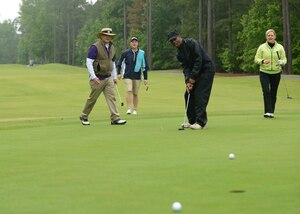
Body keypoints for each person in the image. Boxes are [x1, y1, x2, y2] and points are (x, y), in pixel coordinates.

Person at [167, 31, 215, 130]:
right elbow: (185, 68)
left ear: (179, 37)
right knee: (188, 94)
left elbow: (199, 60)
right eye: (172, 41)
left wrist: (193, 78)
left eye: (175, 39)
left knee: (200, 94)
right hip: (195, 73)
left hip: (206, 70)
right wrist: (188, 81)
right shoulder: (179, 53)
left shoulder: (192, 43)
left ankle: (201, 122)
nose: (174, 42)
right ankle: (192, 121)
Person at [79, 27, 126, 125]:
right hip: (97, 77)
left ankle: (115, 118)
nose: (107, 37)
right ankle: (84, 116)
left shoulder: (112, 48)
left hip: (108, 77)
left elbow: (112, 63)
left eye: (109, 36)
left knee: (111, 97)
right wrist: (93, 77)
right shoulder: (95, 47)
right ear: (101, 36)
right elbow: (89, 62)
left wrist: (114, 77)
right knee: (93, 98)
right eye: (105, 35)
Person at [254, 29, 287, 118]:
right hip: (264, 72)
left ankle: (271, 111)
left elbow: (284, 59)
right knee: (266, 91)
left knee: (273, 92)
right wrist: (262, 61)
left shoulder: (280, 47)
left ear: (275, 37)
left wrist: (282, 62)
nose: (270, 37)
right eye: (268, 35)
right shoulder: (262, 47)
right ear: (266, 37)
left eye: (272, 35)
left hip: (276, 73)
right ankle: (267, 111)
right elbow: (256, 59)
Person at [117, 37, 149, 115]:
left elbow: (144, 66)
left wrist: (145, 78)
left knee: (135, 93)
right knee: (128, 90)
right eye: (132, 42)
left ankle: (135, 109)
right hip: (127, 75)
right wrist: (118, 73)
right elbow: (119, 63)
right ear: (130, 44)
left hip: (137, 76)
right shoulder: (125, 53)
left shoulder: (141, 53)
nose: (134, 43)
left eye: (135, 42)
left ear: (137, 43)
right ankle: (128, 108)